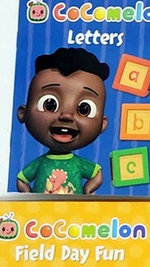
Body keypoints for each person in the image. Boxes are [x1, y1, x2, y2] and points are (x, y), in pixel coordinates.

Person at [16, 47, 110, 194]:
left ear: (102, 124)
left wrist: (87, 191)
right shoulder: (41, 163)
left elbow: (97, 174)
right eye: (50, 105)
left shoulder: (78, 164)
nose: (67, 116)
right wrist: (28, 198)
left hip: (74, 208)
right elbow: (22, 179)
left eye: (84, 109)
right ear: (23, 113)